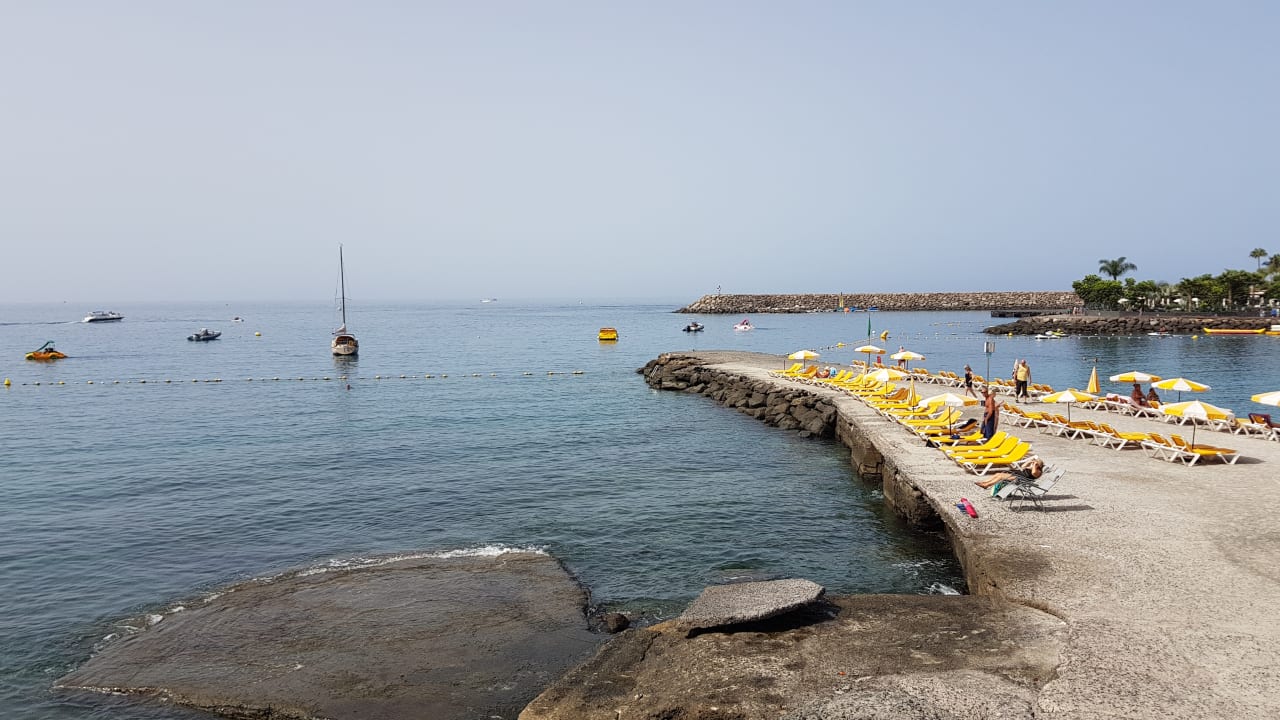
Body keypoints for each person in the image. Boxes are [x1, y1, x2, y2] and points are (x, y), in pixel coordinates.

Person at [975, 458, 1044, 489]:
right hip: (1017, 476)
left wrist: (1035, 465)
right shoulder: (1032, 468)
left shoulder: (1038, 472)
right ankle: (984, 482)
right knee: (997, 474)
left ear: (1038, 465)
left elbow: (1033, 473)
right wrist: (1029, 462)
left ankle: (987, 485)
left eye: (1035, 462)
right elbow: (1023, 467)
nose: (1033, 463)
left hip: (1020, 479)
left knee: (1000, 477)